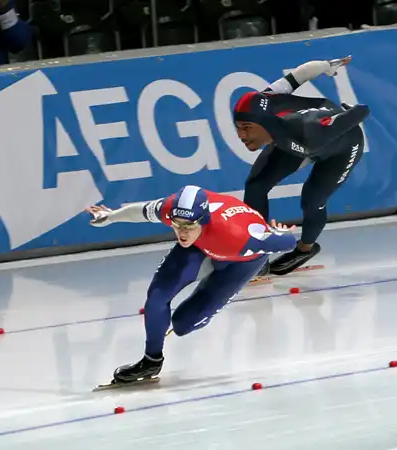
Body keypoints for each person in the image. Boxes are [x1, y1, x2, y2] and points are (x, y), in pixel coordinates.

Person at [85, 185, 298, 386]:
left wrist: (280, 233)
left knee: (182, 325)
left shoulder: (242, 237)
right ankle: (151, 361)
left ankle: (250, 270)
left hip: (241, 259)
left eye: (189, 226)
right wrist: (110, 217)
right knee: (157, 298)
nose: (182, 232)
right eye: (177, 225)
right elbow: (139, 211)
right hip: (201, 247)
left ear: (204, 220)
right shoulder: (172, 209)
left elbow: (289, 241)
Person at [235, 55, 370, 278]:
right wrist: (327, 66)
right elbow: (299, 75)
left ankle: (305, 248)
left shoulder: (309, 132)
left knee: (312, 199)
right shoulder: (266, 98)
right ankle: (258, 254)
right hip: (296, 141)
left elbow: (362, 111)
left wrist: (353, 112)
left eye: (247, 128)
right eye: (239, 127)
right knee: (256, 185)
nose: (241, 135)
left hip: (341, 145)